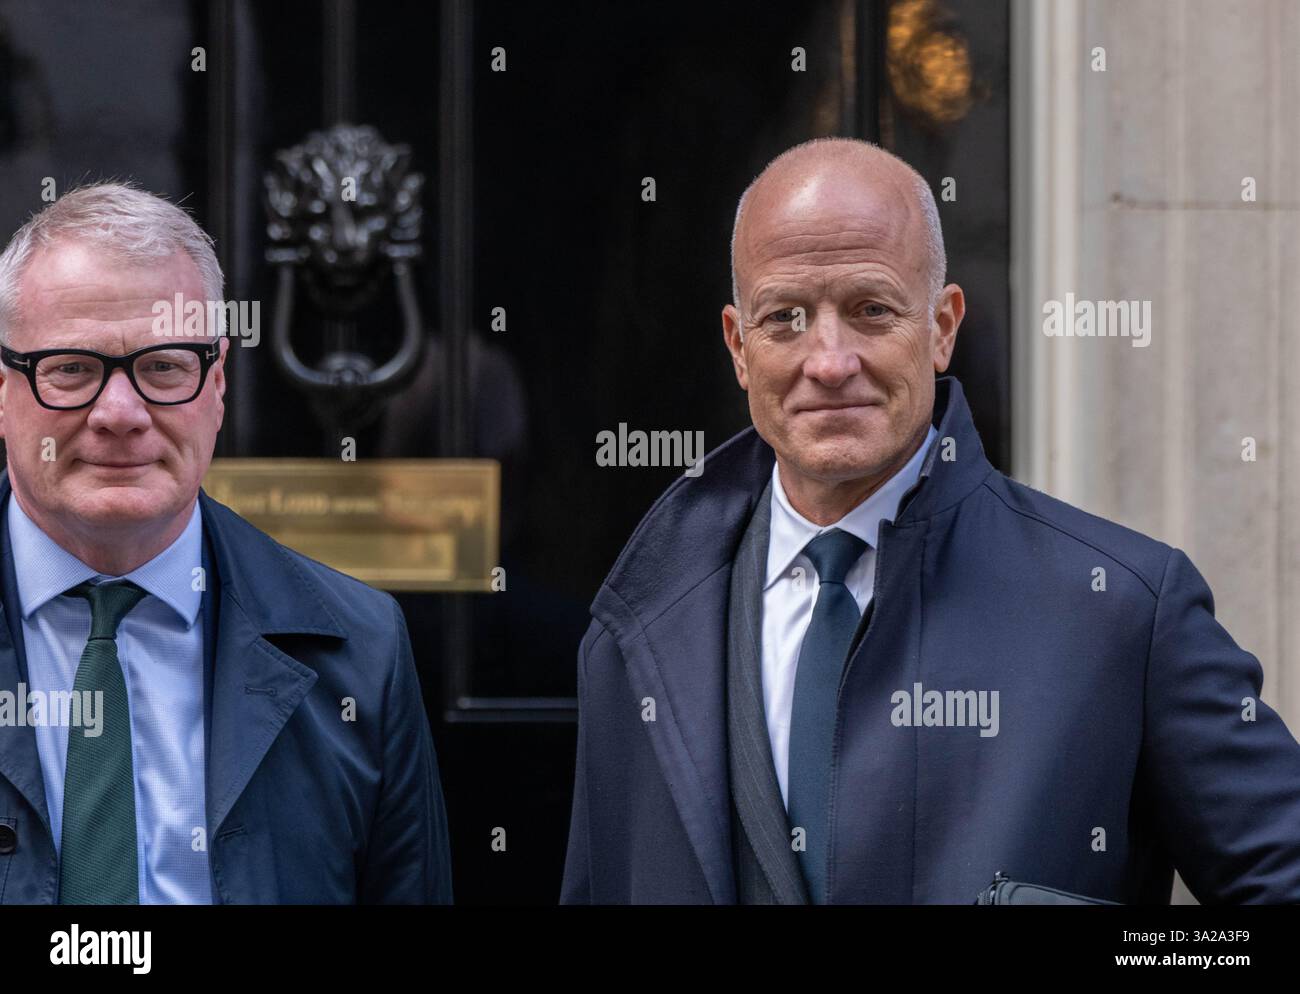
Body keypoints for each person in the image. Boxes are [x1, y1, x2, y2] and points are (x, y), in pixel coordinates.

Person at [560, 137, 1300, 904]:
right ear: (738, 346)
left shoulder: (1124, 610)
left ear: (942, 327)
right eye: (785, 318)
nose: (829, 360)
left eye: (870, 310)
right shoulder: (635, 633)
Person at [0, 182, 452, 903]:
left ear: (217, 383)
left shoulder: (361, 652)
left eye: (164, 367)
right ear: (3, 388)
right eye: (73, 370)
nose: (120, 413)